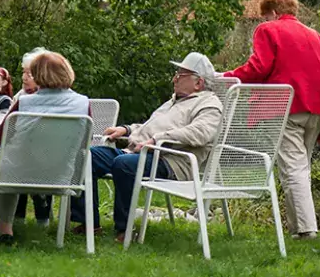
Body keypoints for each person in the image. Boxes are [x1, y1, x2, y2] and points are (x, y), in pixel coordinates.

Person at [220, 0, 320, 240]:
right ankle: (299, 230)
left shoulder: (268, 30)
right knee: (299, 167)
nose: (262, 22)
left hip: (286, 107)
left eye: (264, 16)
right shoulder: (317, 37)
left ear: (273, 13)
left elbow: (259, 67)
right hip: (317, 107)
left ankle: (307, 230)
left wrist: (227, 77)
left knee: (293, 169)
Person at [73, 52, 223, 242]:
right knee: (88, 156)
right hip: (142, 153)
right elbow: (149, 127)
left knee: (124, 163)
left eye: (181, 75)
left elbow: (200, 133)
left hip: (171, 161)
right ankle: (89, 224)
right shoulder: (174, 101)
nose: (174, 78)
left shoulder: (209, 105)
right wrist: (125, 130)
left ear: (198, 83)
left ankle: (124, 230)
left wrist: (157, 139)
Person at [0, 51, 89, 244]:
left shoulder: (25, 102)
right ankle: (57, 227)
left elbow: (1, 137)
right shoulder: (83, 103)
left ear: (38, 75)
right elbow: (83, 140)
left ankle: (5, 227)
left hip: (18, 174)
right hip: (62, 174)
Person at [11, 47, 53, 227]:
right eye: (24, 72)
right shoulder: (21, 94)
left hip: (44, 155)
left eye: (31, 74)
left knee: (17, 158)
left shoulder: (47, 99)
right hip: (32, 153)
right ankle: (18, 216)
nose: (25, 77)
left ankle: (39, 217)